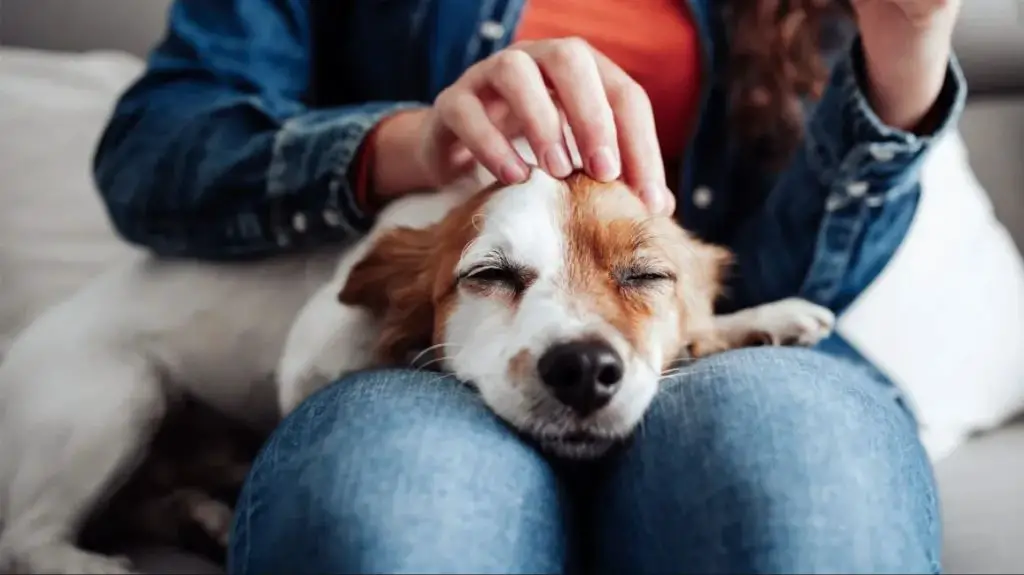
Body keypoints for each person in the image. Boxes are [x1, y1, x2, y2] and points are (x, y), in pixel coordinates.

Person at [93, 0, 965, 572]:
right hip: (431, 369)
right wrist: (411, 142)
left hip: (698, 352)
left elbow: (780, 286)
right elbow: (147, 154)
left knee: (804, 484)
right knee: (389, 513)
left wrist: (906, 48)